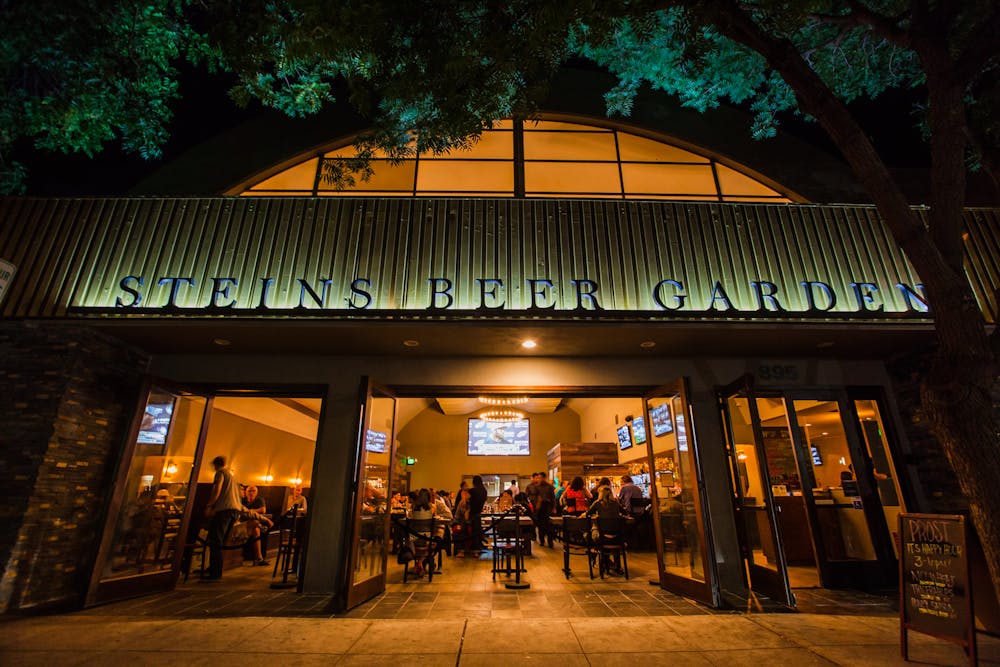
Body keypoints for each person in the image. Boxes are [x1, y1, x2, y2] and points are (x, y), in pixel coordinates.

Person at [204, 456, 245, 581]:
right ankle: (216, 568)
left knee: (216, 540)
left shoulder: (220, 473)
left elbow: (217, 489)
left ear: (216, 465)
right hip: (235, 510)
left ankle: (214, 572)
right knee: (222, 541)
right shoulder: (231, 476)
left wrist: (210, 505)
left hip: (224, 510)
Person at [241, 485, 269, 566]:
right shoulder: (242, 500)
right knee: (256, 527)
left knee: (256, 528)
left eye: (253, 491)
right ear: (245, 492)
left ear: (256, 493)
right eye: (249, 491)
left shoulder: (259, 499)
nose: (251, 493)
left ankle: (259, 558)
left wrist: (249, 511)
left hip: (252, 523)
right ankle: (259, 558)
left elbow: (263, 510)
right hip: (243, 522)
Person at [533, 472, 557, 548]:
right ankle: (542, 541)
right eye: (538, 477)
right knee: (541, 526)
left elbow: (553, 498)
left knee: (549, 525)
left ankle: (550, 542)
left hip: (548, 507)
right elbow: (534, 498)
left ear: (544, 478)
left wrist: (554, 508)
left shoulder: (550, 487)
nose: (539, 479)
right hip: (540, 508)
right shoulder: (537, 487)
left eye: (540, 477)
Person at [468, 475, 488, 550]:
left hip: (472, 513)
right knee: (478, 529)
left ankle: (474, 546)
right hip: (479, 512)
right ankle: (479, 544)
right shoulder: (484, 490)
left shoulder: (472, 491)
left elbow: (468, 500)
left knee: (474, 531)